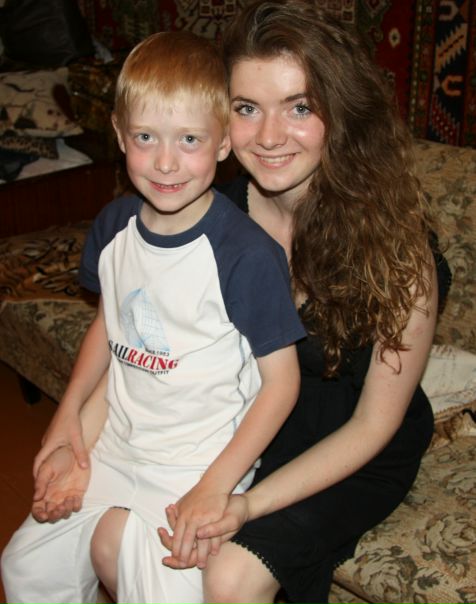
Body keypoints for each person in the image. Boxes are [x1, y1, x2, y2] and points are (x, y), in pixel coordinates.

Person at [15, 2, 451, 603]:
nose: (269, 136)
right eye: (247, 108)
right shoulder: (208, 215)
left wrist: (243, 503)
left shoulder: (399, 250)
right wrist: (75, 427)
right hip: (241, 423)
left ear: (341, 110)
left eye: (299, 107)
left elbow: (374, 423)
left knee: (225, 576)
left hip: (347, 437)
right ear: (222, 123)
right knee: (113, 540)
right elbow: (140, 333)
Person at [0, 29, 305, 604]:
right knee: (25, 568)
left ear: (223, 142)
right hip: (117, 443)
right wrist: (69, 423)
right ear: (119, 134)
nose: (166, 162)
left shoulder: (245, 255)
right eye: (146, 137)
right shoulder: (113, 226)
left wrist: (216, 486)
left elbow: (282, 385)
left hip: (198, 464)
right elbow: (109, 326)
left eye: (189, 139)